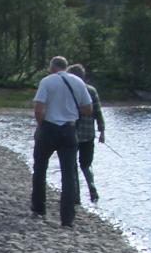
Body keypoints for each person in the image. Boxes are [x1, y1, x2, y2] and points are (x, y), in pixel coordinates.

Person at [31, 55, 92, 228]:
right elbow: (88, 109)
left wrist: (42, 124)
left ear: (52, 67)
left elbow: (38, 109)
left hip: (49, 128)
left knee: (40, 168)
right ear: (66, 67)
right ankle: (67, 219)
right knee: (68, 174)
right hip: (69, 130)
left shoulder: (47, 82)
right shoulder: (78, 82)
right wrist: (72, 112)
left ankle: (39, 208)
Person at [66, 63, 105, 204]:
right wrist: (102, 132)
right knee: (86, 164)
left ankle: (76, 196)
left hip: (70, 132)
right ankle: (92, 186)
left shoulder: (69, 90)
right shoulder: (92, 90)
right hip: (89, 134)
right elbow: (98, 112)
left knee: (71, 164)